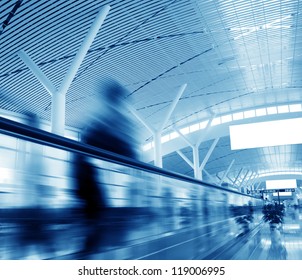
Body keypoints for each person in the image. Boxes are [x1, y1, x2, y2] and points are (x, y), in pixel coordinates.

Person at [72, 79, 139, 257]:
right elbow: (126, 146)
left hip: (84, 173)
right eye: (120, 98)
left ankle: (87, 252)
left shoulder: (102, 115)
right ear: (116, 97)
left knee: (97, 212)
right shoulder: (110, 116)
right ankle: (87, 254)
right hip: (85, 174)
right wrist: (132, 156)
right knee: (99, 211)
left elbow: (119, 144)